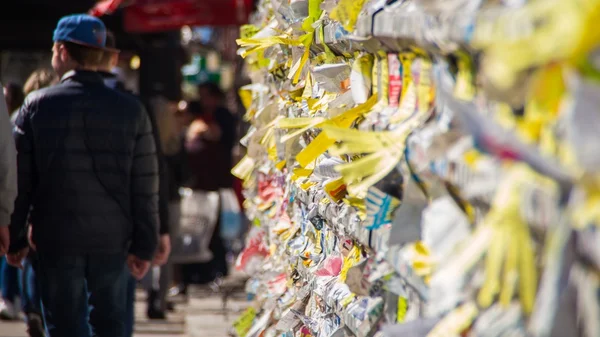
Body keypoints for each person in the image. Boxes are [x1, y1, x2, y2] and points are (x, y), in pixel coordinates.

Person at [6, 14, 159, 337]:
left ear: (61, 52)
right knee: (110, 325)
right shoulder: (132, 110)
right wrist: (145, 244)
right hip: (113, 239)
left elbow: (20, 181)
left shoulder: (36, 105)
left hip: (56, 238)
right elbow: (145, 184)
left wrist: (15, 235)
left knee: (64, 326)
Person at [97, 31, 172, 332]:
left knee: (69, 317)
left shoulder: (45, 103)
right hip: (119, 229)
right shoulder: (134, 107)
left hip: (62, 234)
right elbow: (151, 173)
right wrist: (156, 232)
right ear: (114, 58)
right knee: (116, 310)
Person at [179, 83, 236, 290]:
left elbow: (217, 136)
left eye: (206, 96)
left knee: (214, 230)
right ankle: (197, 273)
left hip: (215, 182)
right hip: (200, 184)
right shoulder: (201, 115)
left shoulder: (221, 116)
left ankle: (214, 270)